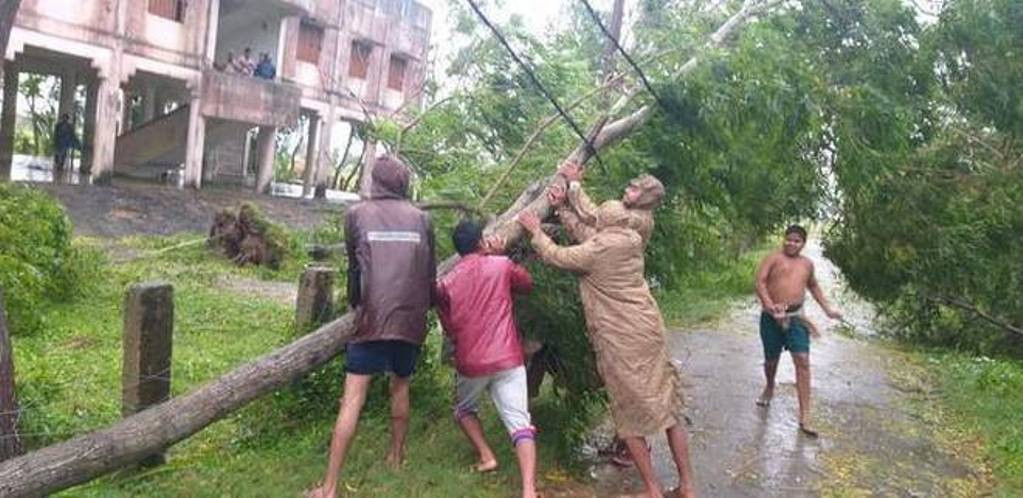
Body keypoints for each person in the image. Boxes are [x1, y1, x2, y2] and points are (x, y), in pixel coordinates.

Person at [518, 201, 695, 498]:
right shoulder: (632, 238)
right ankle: (687, 486)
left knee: (628, 418)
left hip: (621, 338)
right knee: (670, 409)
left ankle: (652, 490)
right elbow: (587, 233)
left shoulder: (596, 250)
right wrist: (563, 208)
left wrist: (536, 231)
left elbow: (556, 255)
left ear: (601, 222)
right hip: (649, 330)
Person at [307, 156, 436, 498]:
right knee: (400, 386)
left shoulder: (355, 214)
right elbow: (429, 274)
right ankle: (396, 456)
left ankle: (329, 488)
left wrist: (356, 306)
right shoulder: (423, 219)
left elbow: (355, 268)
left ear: (376, 181)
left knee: (352, 400)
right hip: (409, 319)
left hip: (370, 319)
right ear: (403, 183)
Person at [548, 160, 666, 467]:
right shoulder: (624, 226)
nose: (627, 190)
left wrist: (573, 185)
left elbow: (594, 218)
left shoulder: (636, 221)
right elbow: (590, 232)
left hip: (625, 317)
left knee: (635, 389)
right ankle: (627, 443)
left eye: (634, 187)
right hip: (626, 313)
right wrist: (562, 210)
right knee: (634, 388)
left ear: (647, 197)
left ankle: (638, 454)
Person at [435, 220, 538, 498]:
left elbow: (449, 327)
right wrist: (498, 256)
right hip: (508, 357)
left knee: (464, 409)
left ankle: (487, 455)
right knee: (520, 422)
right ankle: (529, 490)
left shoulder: (445, 284)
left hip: (471, 362)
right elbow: (528, 283)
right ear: (481, 242)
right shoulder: (500, 265)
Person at [753, 224, 842, 437]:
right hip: (771, 318)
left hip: (796, 318)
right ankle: (770, 386)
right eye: (788, 239)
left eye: (796, 241)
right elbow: (760, 282)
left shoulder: (807, 264)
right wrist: (770, 305)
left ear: (803, 244)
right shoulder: (773, 258)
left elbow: (813, 286)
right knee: (771, 361)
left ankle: (805, 416)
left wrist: (828, 309)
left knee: (802, 360)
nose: (791, 243)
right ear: (783, 239)